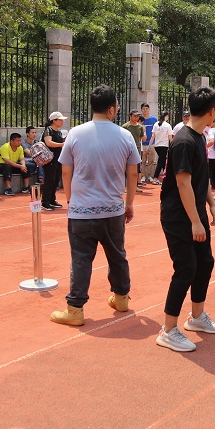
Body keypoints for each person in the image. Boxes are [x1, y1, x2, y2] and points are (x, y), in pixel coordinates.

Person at [50, 85, 140, 326]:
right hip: (113, 210)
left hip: (82, 211)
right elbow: (133, 174)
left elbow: (66, 171)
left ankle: (75, 309)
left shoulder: (75, 134)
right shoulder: (125, 136)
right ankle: (121, 298)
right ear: (111, 109)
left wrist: (71, 200)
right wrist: (129, 203)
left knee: (81, 259)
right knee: (117, 255)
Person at [156, 86, 215, 352]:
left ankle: (196, 317)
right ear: (211, 111)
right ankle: (168, 329)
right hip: (178, 216)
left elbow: (200, 177)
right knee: (185, 268)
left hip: (195, 212)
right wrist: (195, 221)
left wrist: (211, 204)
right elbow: (183, 183)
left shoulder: (199, 137)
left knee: (205, 263)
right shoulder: (184, 141)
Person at [40, 111, 67, 211]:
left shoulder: (58, 132)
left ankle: (52, 199)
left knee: (56, 180)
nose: (62, 121)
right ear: (54, 120)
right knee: (49, 180)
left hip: (58, 159)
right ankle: (45, 202)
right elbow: (49, 143)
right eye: (60, 120)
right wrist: (62, 144)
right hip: (49, 159)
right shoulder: (48, 130)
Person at [121, 110, 145, 187]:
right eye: (134, 116)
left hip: (137, 150)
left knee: (136, 169)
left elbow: (141, 138)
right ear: (130, 116)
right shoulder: (125, 126)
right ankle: (125, 185)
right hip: (127, 149)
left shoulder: (140, 127)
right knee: (126, 168)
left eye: (137, 116)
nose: (136, 118)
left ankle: (135, 186)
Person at [151, 111, 173, 182]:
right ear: (166, 116)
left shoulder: (156, 124)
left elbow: (153, 136)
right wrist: (172, 146)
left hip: (157, 146)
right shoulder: (167, 125)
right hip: (164, 146)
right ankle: (155, 177)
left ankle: (166, 176)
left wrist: (149, 145)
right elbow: (170, 138)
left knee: (162, 160)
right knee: (161, 161)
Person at [140, 103, 158, 183]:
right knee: (143, 161)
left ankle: (150, 176)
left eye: (146, 109)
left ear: (149, 109)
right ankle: (143, 175)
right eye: (143, 109)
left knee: (151, 161)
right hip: (143, 143)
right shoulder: (140, 119)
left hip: (152, 143)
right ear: (141, 110)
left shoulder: (154, 119)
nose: (145, 110)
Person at [20, 126, 41, 190]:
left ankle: (41, 179)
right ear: (27, 134)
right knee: (38, 162)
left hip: (34, 161)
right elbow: (29, 153)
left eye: (35, 132)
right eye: (32, 133)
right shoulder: (23, 142)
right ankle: (40, 179)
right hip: (25, 161)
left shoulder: (36, 142)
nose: (34, 134)